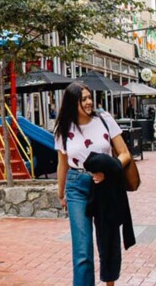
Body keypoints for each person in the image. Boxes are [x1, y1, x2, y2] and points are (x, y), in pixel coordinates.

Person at [54, 82, 134, 286]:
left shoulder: (104, 120)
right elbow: (62, 163)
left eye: (90, 97)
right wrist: (60, 193)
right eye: (84, 99)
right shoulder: (63, 127)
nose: (89, 102)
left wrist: (110, 167)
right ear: (73, 103)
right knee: (82, 250)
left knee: (108, 242)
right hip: (76, 186)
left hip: (105, 186)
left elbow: (124, 153)